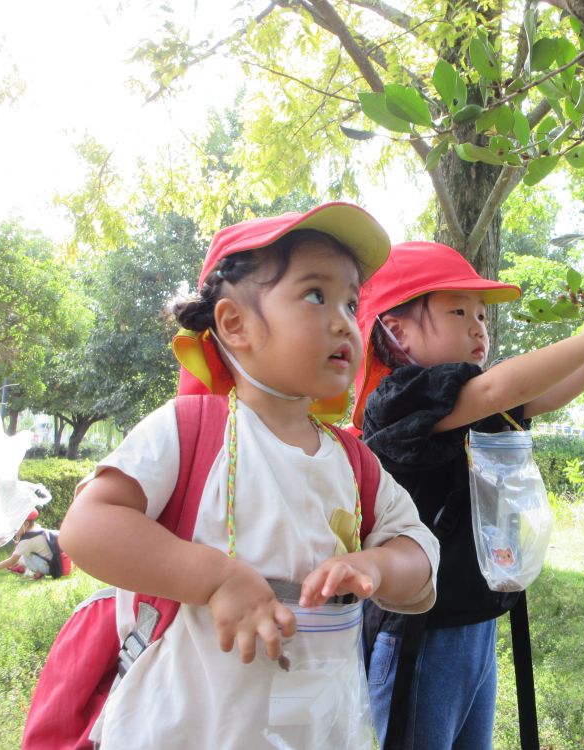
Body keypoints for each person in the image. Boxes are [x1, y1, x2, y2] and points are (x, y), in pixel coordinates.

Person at [58, 204, 440, 749]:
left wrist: (375, 564)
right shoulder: (190, 431)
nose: (342, 320)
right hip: (186, 730)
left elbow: (421, 552)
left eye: (351, 302)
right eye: (315, 295)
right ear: (234, 323)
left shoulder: (355, 464)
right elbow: (87, 526)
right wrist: (215, 579)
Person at [351, 241, 584, 749]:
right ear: (395, 329)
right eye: (458, 311)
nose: (478, 327)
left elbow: (538, 394)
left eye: (481, 315)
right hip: (418, 636)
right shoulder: (397, 401)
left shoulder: (470, 397)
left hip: (474, 625)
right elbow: (499, 391)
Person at [0, 509, 55, 579]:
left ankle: (40, 571)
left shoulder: (26, 541)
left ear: (26, 524)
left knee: (23, 557)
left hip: (49, 568)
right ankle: (40, 571)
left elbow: (12, 560)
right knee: (25, 554)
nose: (15, 530)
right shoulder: (37, 529)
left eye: (17, 526)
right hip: (55, 564)